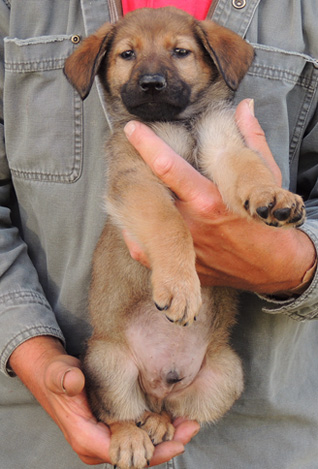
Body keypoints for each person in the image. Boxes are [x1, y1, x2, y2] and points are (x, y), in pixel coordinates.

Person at [0, 1, 317, 468]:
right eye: (127, 55)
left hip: (259, 434)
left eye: (180, 53)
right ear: (101, 70)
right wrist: (29, 347)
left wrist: (293, 253)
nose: (152, 74)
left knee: (224, 379)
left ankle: (163, 415)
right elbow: (136, 194)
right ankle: (125, 419)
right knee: (111, 365)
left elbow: (231, 158)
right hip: (59, 415)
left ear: (214, 62)